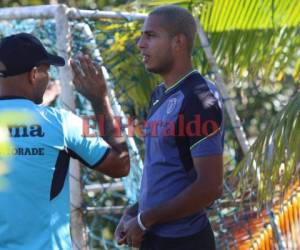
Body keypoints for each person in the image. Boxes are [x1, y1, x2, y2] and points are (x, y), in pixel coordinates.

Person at [0, 33, 130, 250]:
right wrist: (100, 100)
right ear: (33, 74)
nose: (48, 78)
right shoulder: (60, 123)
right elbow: (121, 164)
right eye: (46, 71)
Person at [113, 5, 224, 250]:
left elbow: (210, 186)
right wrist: (134, 213)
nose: (141, 44)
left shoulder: (198, 97)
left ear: (178, 42)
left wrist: (144, 220)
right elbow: (163, 171)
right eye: (142, 36)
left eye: (150, 36)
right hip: (153, 236)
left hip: (185, 241)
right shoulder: (159, 94)